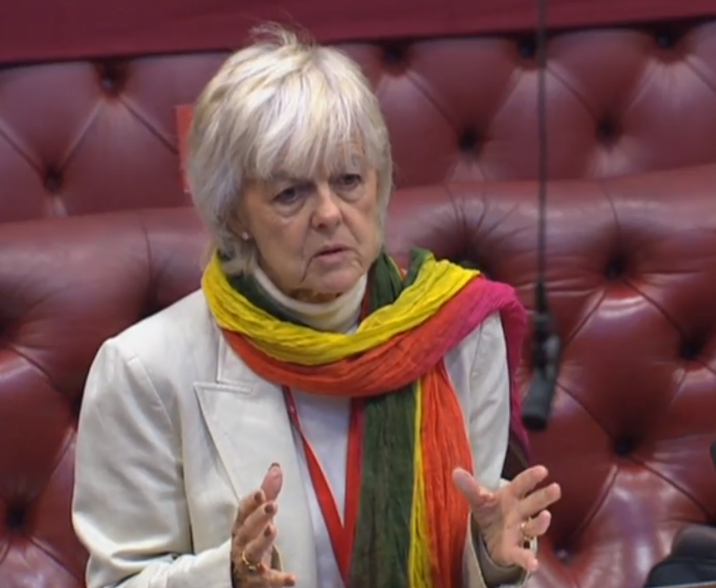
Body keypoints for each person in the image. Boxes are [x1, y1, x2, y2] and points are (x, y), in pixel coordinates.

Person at [71, 25, 562, 588]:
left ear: (378, 186)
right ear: (234, 215)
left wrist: (493, 559)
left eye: (349, 180)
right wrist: (225, 577)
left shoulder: (457, 331)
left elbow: (477, 565)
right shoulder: (145, 370)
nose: (329, 213)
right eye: (290, 193)